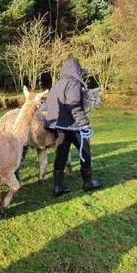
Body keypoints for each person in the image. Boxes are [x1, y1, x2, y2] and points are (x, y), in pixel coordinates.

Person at [44, 57, 103, 196]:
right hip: (74, 127)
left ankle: (58, 187)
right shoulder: (74, 84)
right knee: (85, 152)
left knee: (61, 155)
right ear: (76, 70)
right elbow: (74, 106)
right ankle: (88, 183)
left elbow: (50, 106)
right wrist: (85, 124)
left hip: (59, 127)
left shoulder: (57, 84)